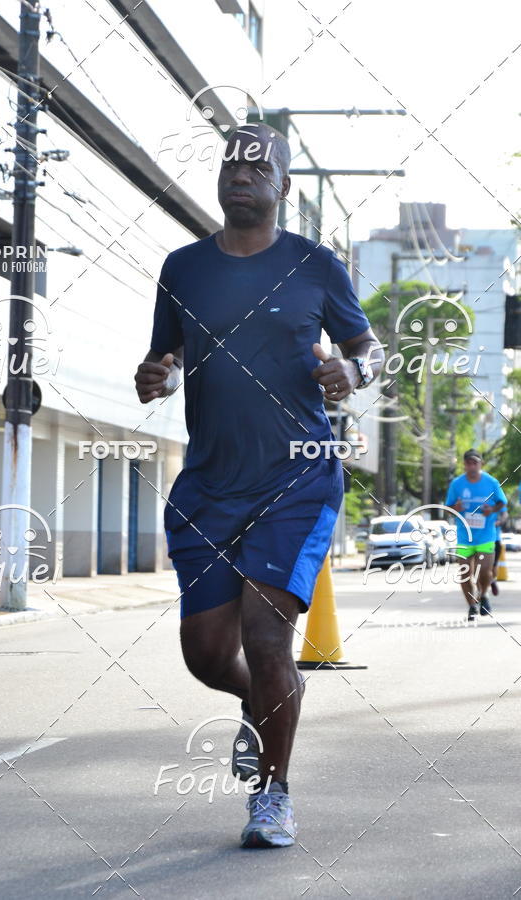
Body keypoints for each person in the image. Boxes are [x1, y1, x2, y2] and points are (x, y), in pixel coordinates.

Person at [134, 122, 383, 848]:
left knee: (267, 636)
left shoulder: (315, 265)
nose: (241, 173)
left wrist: (356, 371)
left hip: (298, 477)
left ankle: (273, 796)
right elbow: (164, 357)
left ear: (282, 187)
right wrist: (157, 375)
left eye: (257, 165)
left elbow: (369, 348)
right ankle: (254, 702)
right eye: (230, 163)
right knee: (208, 656)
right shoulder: (182, 268)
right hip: (209, 486)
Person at [445, 449, 506, 620]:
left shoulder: (491, 482)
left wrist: (492, 510)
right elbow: (448, 508)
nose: (472, 466)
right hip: (465, 537)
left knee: (484, 571)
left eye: (475, 463)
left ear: (481, 464)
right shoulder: (457, 484)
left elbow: (502, 502)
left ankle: (483, 594)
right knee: (465, 573)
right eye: (468, 463)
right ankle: (472, 606)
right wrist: (454, 509)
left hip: (486, 535)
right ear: (464, 465)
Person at [490, 506, 507, 595]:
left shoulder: (496, 498)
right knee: (478, 566)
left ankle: (493, 580)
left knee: (493, 565)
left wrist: (500, 521)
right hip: (477, 540)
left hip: (495, 539)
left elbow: (504, 514)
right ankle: (480, 591)